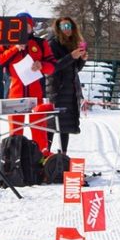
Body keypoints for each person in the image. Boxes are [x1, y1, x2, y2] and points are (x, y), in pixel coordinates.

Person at [0, 15, 57, 152]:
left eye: (26, 26)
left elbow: (52, 67)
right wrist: (15, 49)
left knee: (39, 130)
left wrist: (42, 65)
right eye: (19, 26)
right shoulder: (6, 43)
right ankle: (15, 161)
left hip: (37, 95)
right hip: (14, 95)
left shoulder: (41, 43)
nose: (22, 29)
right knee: (15, 133)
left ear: (31, 27)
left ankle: (41, 159)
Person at [47, 16, 88, 155]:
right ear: (58, 28)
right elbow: (53, 67)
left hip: (70, 88)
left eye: (69, 26)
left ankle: (63, 153)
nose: (67, 29)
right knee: (52, 124)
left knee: (65, 125)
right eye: (64, 27)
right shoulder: (53, 43)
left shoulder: (72, 43)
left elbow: (75, 68)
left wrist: (81, 60)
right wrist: (71, 56)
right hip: (56, 88)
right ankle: (46, 153)